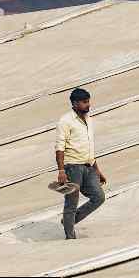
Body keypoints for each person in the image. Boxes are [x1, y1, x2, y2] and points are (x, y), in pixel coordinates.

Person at [54, 87, 107, 239]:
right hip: (72, 168)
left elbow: (89, 147)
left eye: (88, 101)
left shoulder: (89, 120)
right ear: (75, 103)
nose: (88, 105)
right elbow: (59, 147)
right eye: (84, 102)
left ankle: (68, 221)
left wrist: (97, 170)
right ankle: (70, 237)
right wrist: (61, 171)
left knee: (99, 197)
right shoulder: (65, 121)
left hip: (88, 166)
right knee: (72, 201)